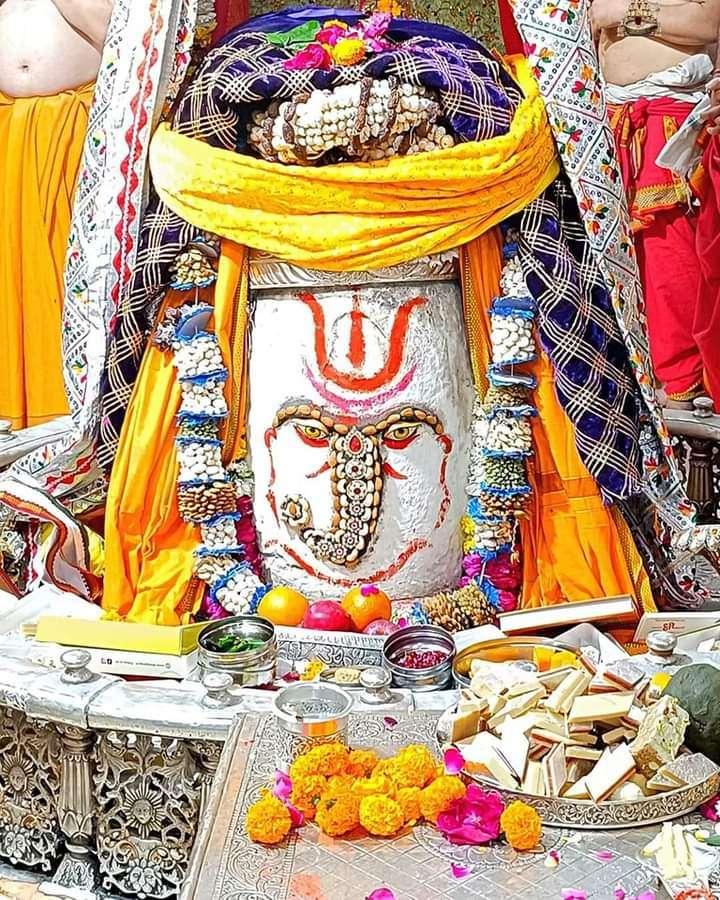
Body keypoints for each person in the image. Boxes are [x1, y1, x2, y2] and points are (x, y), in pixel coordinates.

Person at [592, 0, 720, 408]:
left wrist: (627, 16)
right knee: (614, 261)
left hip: (668, 118)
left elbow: (706, 21)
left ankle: (679, 393)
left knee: (669, 255)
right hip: (608, 121)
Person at [0, 0, 111, 431]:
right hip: (10, 134)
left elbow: (120, 43)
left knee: (65, 275)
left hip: (69, 135)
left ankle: (65, 417)